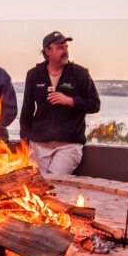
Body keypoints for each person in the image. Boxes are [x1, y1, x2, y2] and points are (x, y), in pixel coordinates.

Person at [20, 31, 100, 174]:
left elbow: (94, 104)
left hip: (68, 146)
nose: (65, 51)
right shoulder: (34, 75)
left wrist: (70, 100)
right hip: (38, 146)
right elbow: (27, 110)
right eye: (60, 47)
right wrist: (24, 140)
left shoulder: (80, 74)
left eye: (66, 46)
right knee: (37, 189)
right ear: (47, 51)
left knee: (53, 184)